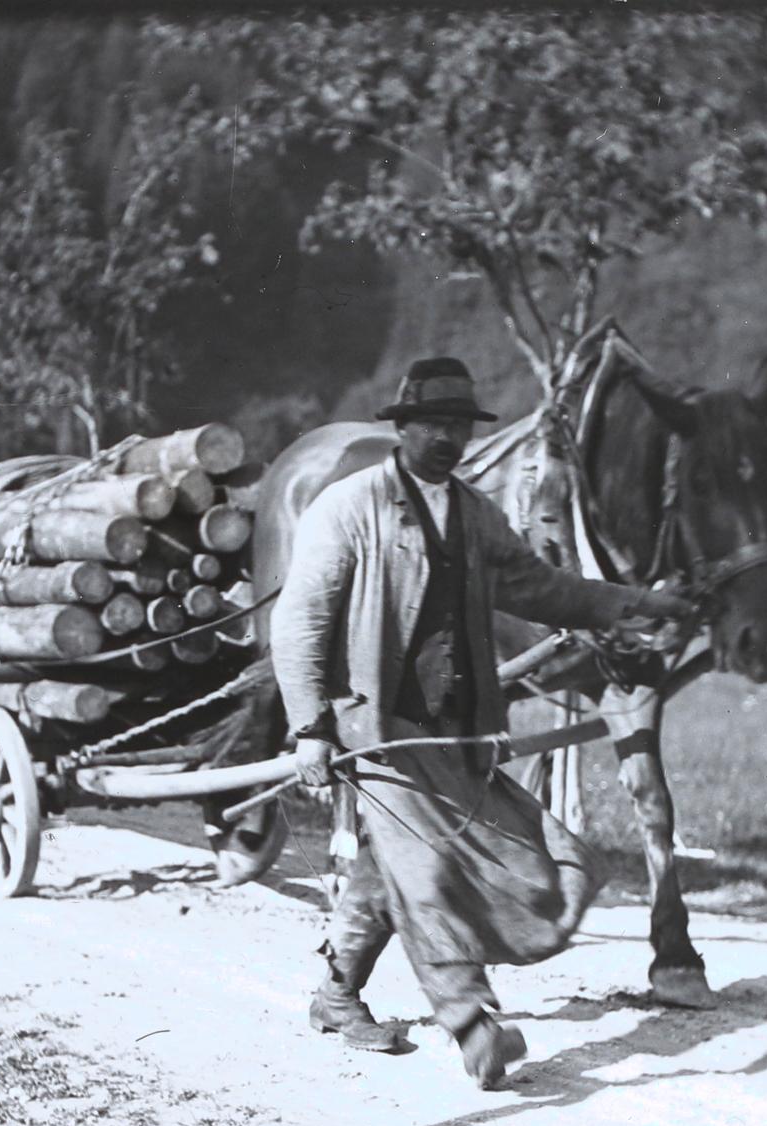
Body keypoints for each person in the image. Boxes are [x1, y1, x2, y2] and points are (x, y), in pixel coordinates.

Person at [271, 357, 696, 1088]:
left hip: (458, 728)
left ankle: (335, 995)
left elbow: (541, 587)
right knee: (429, 869)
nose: (447, 438)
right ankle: (474, 1025)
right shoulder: (350, 507)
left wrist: (634, 603)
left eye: (458, 426)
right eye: (433, 424)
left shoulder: (473, 514)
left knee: (533, 863)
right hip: (377, 727)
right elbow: (301, 620)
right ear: (403, 428)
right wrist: (310, 726)